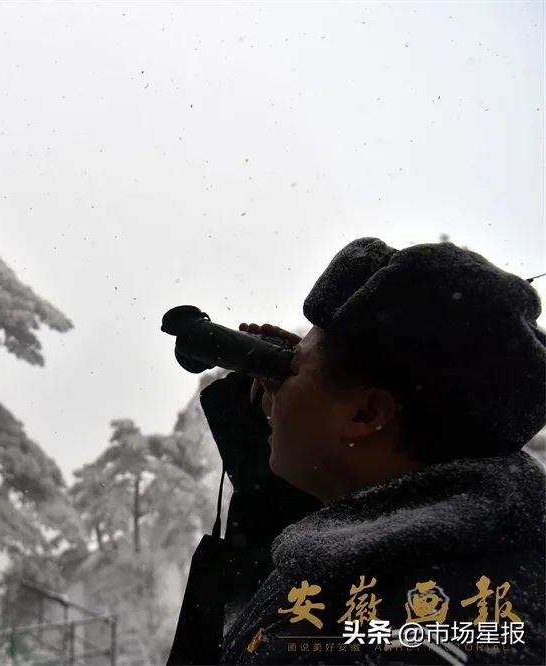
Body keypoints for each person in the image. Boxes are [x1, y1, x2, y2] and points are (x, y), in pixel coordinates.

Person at [202, 237, 545, 665]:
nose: (275, 384)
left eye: (290, 367)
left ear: (364, 415)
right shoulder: (464, 553)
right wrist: (299, 408)